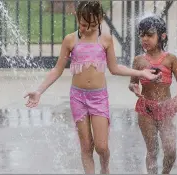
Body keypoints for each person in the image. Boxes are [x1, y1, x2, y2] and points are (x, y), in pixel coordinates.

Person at [24, 1, 161, 174]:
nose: (87, 29)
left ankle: (105, 169)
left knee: (102, 147)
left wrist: (142, 74)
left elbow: (115, 68)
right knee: (86, 146)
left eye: (93, 25)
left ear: (101, 19)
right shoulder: (70, 40)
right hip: (78, 98)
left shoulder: (105, 39)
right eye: (83, 25)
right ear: (77, 17)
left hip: (98, 97)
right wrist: (39, 91)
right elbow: (57, 69)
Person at [129, 15, 177, 174]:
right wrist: (134, 88)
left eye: (149, 35)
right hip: (146, 109)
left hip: (166, 108)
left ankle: (165, 173)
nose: (144, 39)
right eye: (142, 35)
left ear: (162, 36)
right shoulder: (139, 61)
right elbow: (133, 82)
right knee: (152, 150)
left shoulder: (170, 60)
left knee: (171, 150)